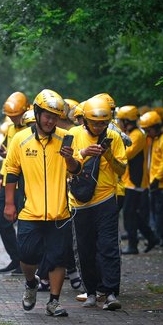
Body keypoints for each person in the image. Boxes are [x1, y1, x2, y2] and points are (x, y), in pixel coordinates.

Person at [4, 90, 81, 317]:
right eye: (46, 116)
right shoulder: (20, 139)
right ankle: (30, 284)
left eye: (55, 117)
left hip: (60, 212)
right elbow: (11, 172)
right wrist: (9, 204)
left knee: (58, 258)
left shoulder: (65, 138)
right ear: (36, 113)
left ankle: (54, 302)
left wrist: (69, 158)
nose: (50, 121)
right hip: (30, 211)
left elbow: (77, 170)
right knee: (27, 256)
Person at [70, 96, 127, 310]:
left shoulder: (114, 137)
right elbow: (65, 165)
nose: (99, 126)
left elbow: (122, 170)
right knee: (85, 249)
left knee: (109, 247)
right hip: (80, 202)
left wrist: (109, 155)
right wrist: (84, 153)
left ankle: (111, 292)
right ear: (84, 120)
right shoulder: (73, 135)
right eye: (94, 122)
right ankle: (91, 292)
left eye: (103, 122)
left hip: (106, 199)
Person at [116, 105, 159, 254]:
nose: (118, 122)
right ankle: (150, 236)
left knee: (129, 213)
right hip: (128, 180)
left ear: (126, 121)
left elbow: (126, 154)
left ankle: (133, 245)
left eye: (120, 120)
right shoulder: (129, 133)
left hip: (135, 181)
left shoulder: (137, 135)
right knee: (132, 213)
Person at [0, 92, 29, 274]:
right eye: (10, 116)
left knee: (25, 223)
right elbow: (10, 157)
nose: (13, 118)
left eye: (16, 116)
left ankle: (27, 261)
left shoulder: (30, 128)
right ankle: (16, 258)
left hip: (24, 182)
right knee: (2, 220)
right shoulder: (10, 129)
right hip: (9, 179)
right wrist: (2, 177)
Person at [140, 111, 163, 249]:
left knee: (161, 214)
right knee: (156, 212)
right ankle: (160, 237)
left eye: (148, 129)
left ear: (156, 127)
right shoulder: (153, 140)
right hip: (154, 183)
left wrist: (156, 180)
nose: (147, 132)